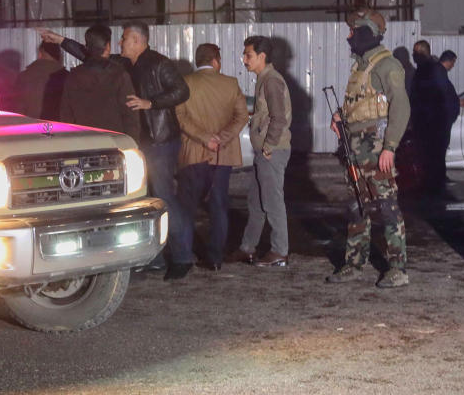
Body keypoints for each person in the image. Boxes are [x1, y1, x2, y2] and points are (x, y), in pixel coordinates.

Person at [41, 22, 192, 279]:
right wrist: (61, 41)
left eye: (124, 38)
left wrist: (150, 103)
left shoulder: (159, 63)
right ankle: (154, 258)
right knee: (145, 200)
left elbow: (182, 91)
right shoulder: (123, 65)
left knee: (164, 197)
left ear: (137, 40)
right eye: (118, 40)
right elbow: (93, 55)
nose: (120, 43)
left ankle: (183, 258)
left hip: (160, 141)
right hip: (139, 142)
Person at [327, 9, 410, 288]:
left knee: (386, 206)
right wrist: (341, 118)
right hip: (355, 146)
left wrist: (391, 147)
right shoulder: (360, 66)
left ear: (366, 33)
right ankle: (354, 263)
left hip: (376, 147)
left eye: (353, 31)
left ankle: (398, 268)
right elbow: (361, 106)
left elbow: (401, 107)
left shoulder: (388, 66)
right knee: (356, 206)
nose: (349, 37)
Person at [176, 43, 247, 271]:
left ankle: (184, 257)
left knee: (187, 208)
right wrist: (220, 138)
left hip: (193, 154)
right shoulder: (230, 83)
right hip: (221, 155)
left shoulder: (186, 83)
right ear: (216, 61)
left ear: (198, 61)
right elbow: (242, 116)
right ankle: (215, 258)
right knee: (218, 206)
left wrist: (205, 138)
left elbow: (181, 118)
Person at [233, 35, 292, 268]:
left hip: (272, 152)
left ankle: (280, 252)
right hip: (265, 151)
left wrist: (268, 146)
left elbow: (279, 118)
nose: (244, 60)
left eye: (248, 55)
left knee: (272, 202)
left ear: (262, 56)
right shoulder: (264, 79)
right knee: (256, 202)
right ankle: (247, 248)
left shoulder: (271, 81)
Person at [57, 26, 140, 142]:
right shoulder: (119, 75)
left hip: (83, 144)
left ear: (87, 47)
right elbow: (130, 116)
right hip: (114, 145)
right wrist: (132, 144)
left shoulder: (74, 76)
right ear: (107, 47)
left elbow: (66, 115)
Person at [408, 40, 452, 194]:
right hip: (426, 125)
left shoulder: (431, 71)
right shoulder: (424, 70)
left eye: (415, 52)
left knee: (433, 159)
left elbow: (442, 98)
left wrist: (439, 122)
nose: (413, 56)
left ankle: (434, 192)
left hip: (432, 126)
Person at [14, 42, 67, 120]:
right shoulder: (67, 76)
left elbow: (18, 107)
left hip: (30, 127)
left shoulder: (24, 76)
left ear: (40, 53)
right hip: (60, 128)